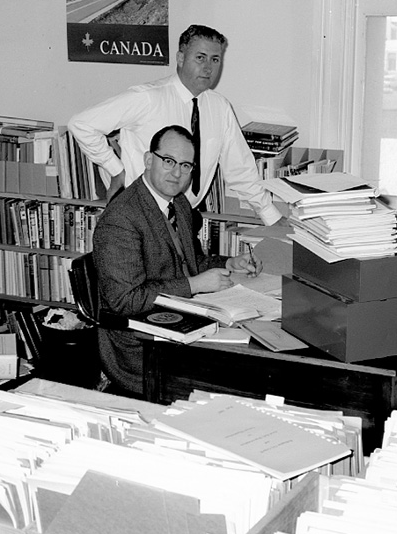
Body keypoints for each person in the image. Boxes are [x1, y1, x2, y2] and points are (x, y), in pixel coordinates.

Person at [92, 124, 260, 396]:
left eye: (185, 165)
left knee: (249, 357)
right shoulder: (121, 220)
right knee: (235, 375)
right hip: (142, 345)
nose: (177, 172)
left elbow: (191, 262)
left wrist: (228, 264)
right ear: (148, 160)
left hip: (184, 320)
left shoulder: (178, 203)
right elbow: (124, 300)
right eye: (168, 161)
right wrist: (193, 285)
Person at [68, 24, 283, 225]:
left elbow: (240, 169)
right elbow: (81, 124)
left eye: (215, 59)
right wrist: (115, 170)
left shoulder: (220, 107)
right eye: (200, 58)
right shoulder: (148, 97)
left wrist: (269, 215)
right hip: (141, 215)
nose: (208, 68)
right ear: (180, 58)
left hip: (183, 217)